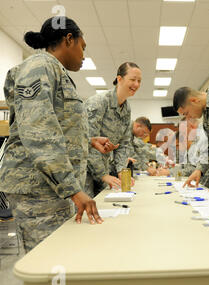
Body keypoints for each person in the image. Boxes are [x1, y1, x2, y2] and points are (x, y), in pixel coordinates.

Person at [0, 17, 114, 253]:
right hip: (38, 189)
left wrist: (89, 141)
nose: (84, 55)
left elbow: (56, 126)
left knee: (59, 259)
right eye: (83, 47)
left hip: (51, 187)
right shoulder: (39, 66)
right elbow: (39, 133)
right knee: (49, 264)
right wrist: (73, 189)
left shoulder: (54, 72)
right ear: (68, 39)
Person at [85, 62, 141, 197]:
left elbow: (124, 143)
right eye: (133, 80)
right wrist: (103, 175)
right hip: (85, 169)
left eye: (139, 81)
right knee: (86, 210)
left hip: (103, 168)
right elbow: (88, 141)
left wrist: (121, 171)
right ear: (119, 79)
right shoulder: (99, 102)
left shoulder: (126, 109)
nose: (137, 85)